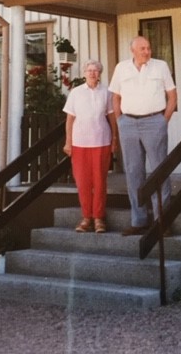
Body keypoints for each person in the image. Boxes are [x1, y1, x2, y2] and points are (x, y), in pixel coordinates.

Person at [109, 36, 177, 236]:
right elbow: (115, 97)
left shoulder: (160, 66)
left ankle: (161, 222)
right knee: (133, 172)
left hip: (154, 122)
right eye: (142, 49)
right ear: (133, 50)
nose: (147, 52)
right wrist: (120, 121)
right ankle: (138, 221)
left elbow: (172, 96)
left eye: (148, 48)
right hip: (128, 124)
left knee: (159, 170)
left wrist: (163, 120)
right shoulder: (121, 68)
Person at [63, 60, 117, 234]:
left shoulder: (106, 92)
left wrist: (114, 138)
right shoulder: (76, 92)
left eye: (96, 70)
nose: (92, 73)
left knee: (100, 181)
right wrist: (68, 142)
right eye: (89, 70)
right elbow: (70, 119)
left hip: (101, 141)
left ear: (100, 73)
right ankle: (86, 217)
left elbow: (112, 117)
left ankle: (99, 218)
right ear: (84, 73)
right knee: (82, 182)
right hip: (80, 143)